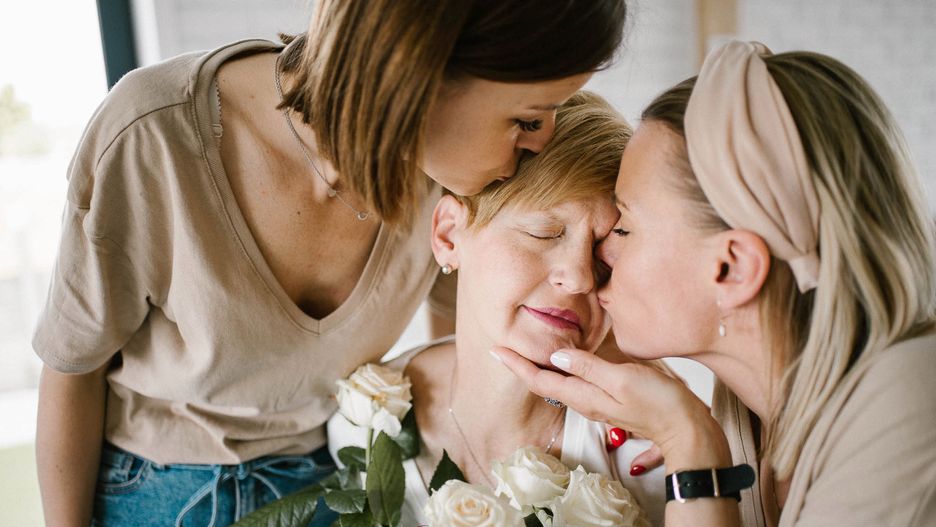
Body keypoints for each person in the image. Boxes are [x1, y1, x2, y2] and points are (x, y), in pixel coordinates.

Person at [31, 1, 629, 525]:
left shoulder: (452, 172)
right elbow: (71, 369)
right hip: (151, 488)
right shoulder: (153, 136)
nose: (540, 140)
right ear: (423, 73)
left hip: (335, 478)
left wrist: (649, 425)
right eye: (527, 118)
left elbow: (487, 341)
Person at [495, 40, 936, 526]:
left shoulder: (908, 409)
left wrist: (690, 446)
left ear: (733, 269)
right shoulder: (752, 412)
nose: (598, 256)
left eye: (625, 227)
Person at [328, 91, 667, 526]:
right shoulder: (365, 416)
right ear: (449, 235)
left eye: (606, 256)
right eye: (545, 232)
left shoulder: (650, 452)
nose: (581, 277)